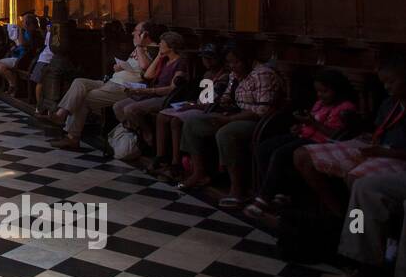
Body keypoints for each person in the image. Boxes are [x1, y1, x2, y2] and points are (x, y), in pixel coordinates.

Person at [292, 53, 406, 217]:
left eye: (391, 82)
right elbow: (378, 130)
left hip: (395, 157)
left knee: (356, 179)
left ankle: (357, 228)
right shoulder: (389, 103)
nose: (387, 87)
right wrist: (367, 136)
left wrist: (384, 152)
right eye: (384, 83)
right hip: (375, 148)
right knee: (302, 155)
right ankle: (338, 214)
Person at [176, 42, 285, 207]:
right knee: (193, 123)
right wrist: (216, 105)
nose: (232, 66)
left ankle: (237, 188)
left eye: (236, 62)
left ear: (248, 59)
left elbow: (264, 110)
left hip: (257, 121)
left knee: (226, 132)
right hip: (235, 113)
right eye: (230, 63)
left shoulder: (263, 74)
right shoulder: (236, 74)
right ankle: (199, 172)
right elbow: (227, 97)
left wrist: (229, 119)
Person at [245, 68, 357, 219]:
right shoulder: (320, 103)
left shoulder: (345, 108)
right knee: (264, 148)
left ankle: (264, 198)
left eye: (325, 91)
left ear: (336, 90)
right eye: (318, 91)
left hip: (321, 144)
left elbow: (338, 135)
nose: (320, 95)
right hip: (304, 136)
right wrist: (300, 127)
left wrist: (312, 123)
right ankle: (280, 192)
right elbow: (310, 123)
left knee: (281, 154)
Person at [44, 21, 157, 151]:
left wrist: (139, 46)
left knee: (82, 99)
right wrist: (120, 67)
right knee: (79, 82)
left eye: (136, 31)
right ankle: (61, 114)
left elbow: (145, 67)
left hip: (124, 87)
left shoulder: (152, 49)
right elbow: (134, 67)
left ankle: (72, 137)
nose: (133, 33)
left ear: (144, 34)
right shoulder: (139, 48)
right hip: (111, 82)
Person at [153, 43, 228, 179]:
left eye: (211, 58)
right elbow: (203, 98)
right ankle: (161, 157)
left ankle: (176, 163)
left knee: (176, 121)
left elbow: (212, 104)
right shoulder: (207, 74)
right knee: (162, 116)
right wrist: (191, 104)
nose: (207, 61)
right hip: (199, 106)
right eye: (205, 58)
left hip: (210, 110)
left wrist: (193, 106)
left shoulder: (224, 77)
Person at [111, 30, 190, 146]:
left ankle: (146, 133)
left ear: (171, 46)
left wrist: (148, 91)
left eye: (162, 43)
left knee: (130, 110)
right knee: (117, 106)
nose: (159, 45)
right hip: (152, 93)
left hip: (166, 97)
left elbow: (172, 89)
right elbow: (148, 75)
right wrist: (158, 56)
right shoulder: (164, 60)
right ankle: (135, 132)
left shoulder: (180, 62)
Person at [0, 12, 40, 95]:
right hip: (19, 55)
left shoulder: (32, 33)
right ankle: (13, 84)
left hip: (23, 59)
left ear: (28, 23)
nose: (22, 22)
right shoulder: (27, 31)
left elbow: (22, 43)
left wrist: (20, 30)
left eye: (23, 21)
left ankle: (14, 86)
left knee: (0, 66)